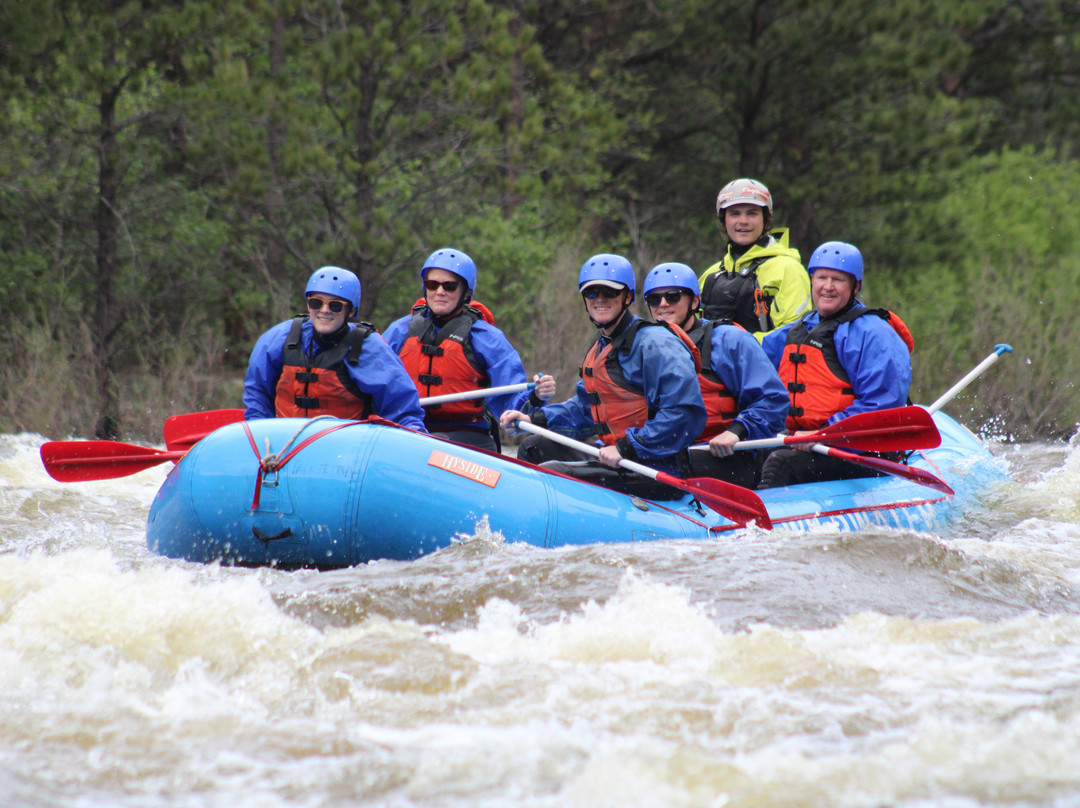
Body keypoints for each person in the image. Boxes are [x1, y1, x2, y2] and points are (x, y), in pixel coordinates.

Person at [499, 253, 706, 498]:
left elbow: (684, 413)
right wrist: (534, 419)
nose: (600, 300)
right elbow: (586, 407)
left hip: (655, 468)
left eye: (609, 293)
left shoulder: (655, 343)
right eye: (592, 293)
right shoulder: (603, 344)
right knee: (534, 448)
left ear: (627, 297)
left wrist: (627, 447)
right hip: (617, 457)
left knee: (552, 472)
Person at [757, 241, 914, 488]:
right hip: (802, 442)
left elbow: (882, 405)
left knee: (780, 463)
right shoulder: (794, 332)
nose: (828, 287)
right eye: (821, 278)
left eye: (838, 280)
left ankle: (761, 527)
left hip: (858, 450)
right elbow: (755, 383)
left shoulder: (874, 334)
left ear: (855, 286)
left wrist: (824, 434)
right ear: (811, 280)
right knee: (750, 458)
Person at [382, 247, 555, 451]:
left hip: (466, 435)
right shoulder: (399, 331)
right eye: (432, 284)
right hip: (406, 428)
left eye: (449, 286)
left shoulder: (486, 338)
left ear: (465, 293)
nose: (440, 292)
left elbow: (510, 398)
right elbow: (374, 380)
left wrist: (536, 396)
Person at [643, 262, 789, 488]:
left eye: (672, 296)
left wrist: (737, 431)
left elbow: (773, 400)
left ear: (694, 301)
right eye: (654, 299)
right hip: (667, 454)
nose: (663, 304)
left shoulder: (729, 340)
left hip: (726, 458)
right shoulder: (644, 348)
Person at [243, 266, 427, 430]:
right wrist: (262, 438)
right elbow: (257, 395)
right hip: (286, 447)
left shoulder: (369, 348)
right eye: (316, 302)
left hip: (346, 452)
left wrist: (415, 435)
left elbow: (401, 409)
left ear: (351, 311)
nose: (324, 310)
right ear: (308, 304)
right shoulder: (278, 339)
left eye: (335, 305)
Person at [698, 178, 810, 341]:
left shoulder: (788, 269)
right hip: (712, 364)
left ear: (766, 219)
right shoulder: (711, 274)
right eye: (734, 213)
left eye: (752, 213)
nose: (743, 221)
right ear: (724, 220)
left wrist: (737, 346)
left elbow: (793, 333)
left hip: (767, 365)